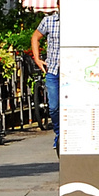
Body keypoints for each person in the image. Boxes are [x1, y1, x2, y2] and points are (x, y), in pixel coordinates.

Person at [30, 9, 60, 150]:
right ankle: (59, 134)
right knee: (53, 107)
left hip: (73, 72)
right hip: (53, 70)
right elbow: (35, 36)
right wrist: (37, 58)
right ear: (59, 5)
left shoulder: (78, 21)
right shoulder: (49, 21)